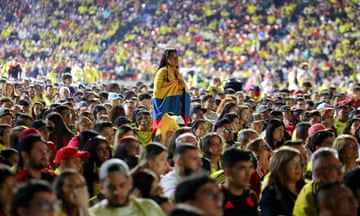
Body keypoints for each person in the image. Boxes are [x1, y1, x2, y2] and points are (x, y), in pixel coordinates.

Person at [89, 158, 165, 216]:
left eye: (122, 185)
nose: (117, 192)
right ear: (102, 187)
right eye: (111, 187)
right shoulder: (94, 213)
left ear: (130, 183)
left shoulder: (149, 208)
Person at [293, 148, 343, 216]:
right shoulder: (310, 197)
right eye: (334, 168)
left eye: (340, 168)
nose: (340, 173)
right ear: (318, 173)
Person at [152, 48, 191, 134]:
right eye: (173, 57)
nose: (176, 59)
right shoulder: (162, 72)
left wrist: (182, 88)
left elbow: (183, 87)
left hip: (178, 107)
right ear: (167, 59)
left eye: (177, 57)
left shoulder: (177, 73)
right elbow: (157, 93)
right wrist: (176, 87)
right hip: (166, 107)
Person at [260, 147, 306, 216]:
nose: (298, 167)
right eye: (293, 163)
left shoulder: (306, 187)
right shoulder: (270, 193)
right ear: (280, 166)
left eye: (299, 163)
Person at [220, 148, 258, 216]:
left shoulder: (252, 196)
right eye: (242, 168)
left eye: (250, 168)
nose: (248, 173)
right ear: (228, 172)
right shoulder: (213, 198)